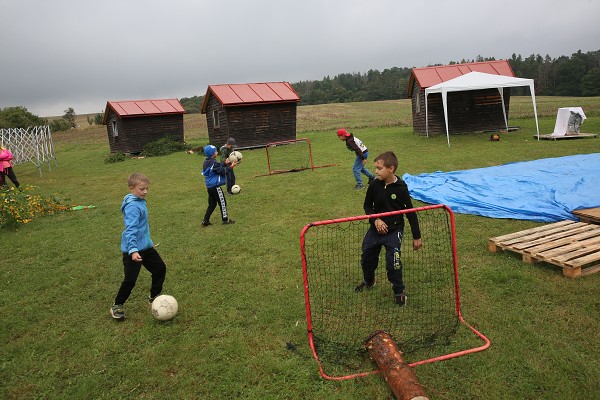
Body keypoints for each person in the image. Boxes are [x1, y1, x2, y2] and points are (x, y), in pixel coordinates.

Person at [355, 151, 422, 306]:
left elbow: (410, 212)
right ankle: (369, 280)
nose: (376, 171)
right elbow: (367, 205)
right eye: (376, 168)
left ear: (391, 168)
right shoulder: (374, 184)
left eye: (379, 168)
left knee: (394, 262)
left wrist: (416, 236)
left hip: (394, 231)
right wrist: (376, 219)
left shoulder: (401, 188)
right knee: (367, 257)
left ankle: (399, 291)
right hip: (375, 229)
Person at [110, 173, 167, 320]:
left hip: (146, 247)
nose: (145, 191)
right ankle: (117, 305)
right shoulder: (132, 206)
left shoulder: (140, 201)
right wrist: (133, 250)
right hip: (133, 251)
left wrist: (147, 241)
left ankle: (154, 295)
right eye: (142, 189)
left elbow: (142, 227)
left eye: (147, 188)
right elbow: (131, 229)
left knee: (160, 268)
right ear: (131, 188)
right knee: (130, 280)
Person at [201, 145, 237, 226]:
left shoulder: (206, 162)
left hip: (209, 187)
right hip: (216, 187)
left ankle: (205, 221)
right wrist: (231, 166)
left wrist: (224, 163)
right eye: (216, 151)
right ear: (212, 154)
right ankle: (225, 220)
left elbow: (217, 168)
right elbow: (222, 171)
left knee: (212, 204)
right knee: (223, 203)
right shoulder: (214, 163)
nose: (217, 152)